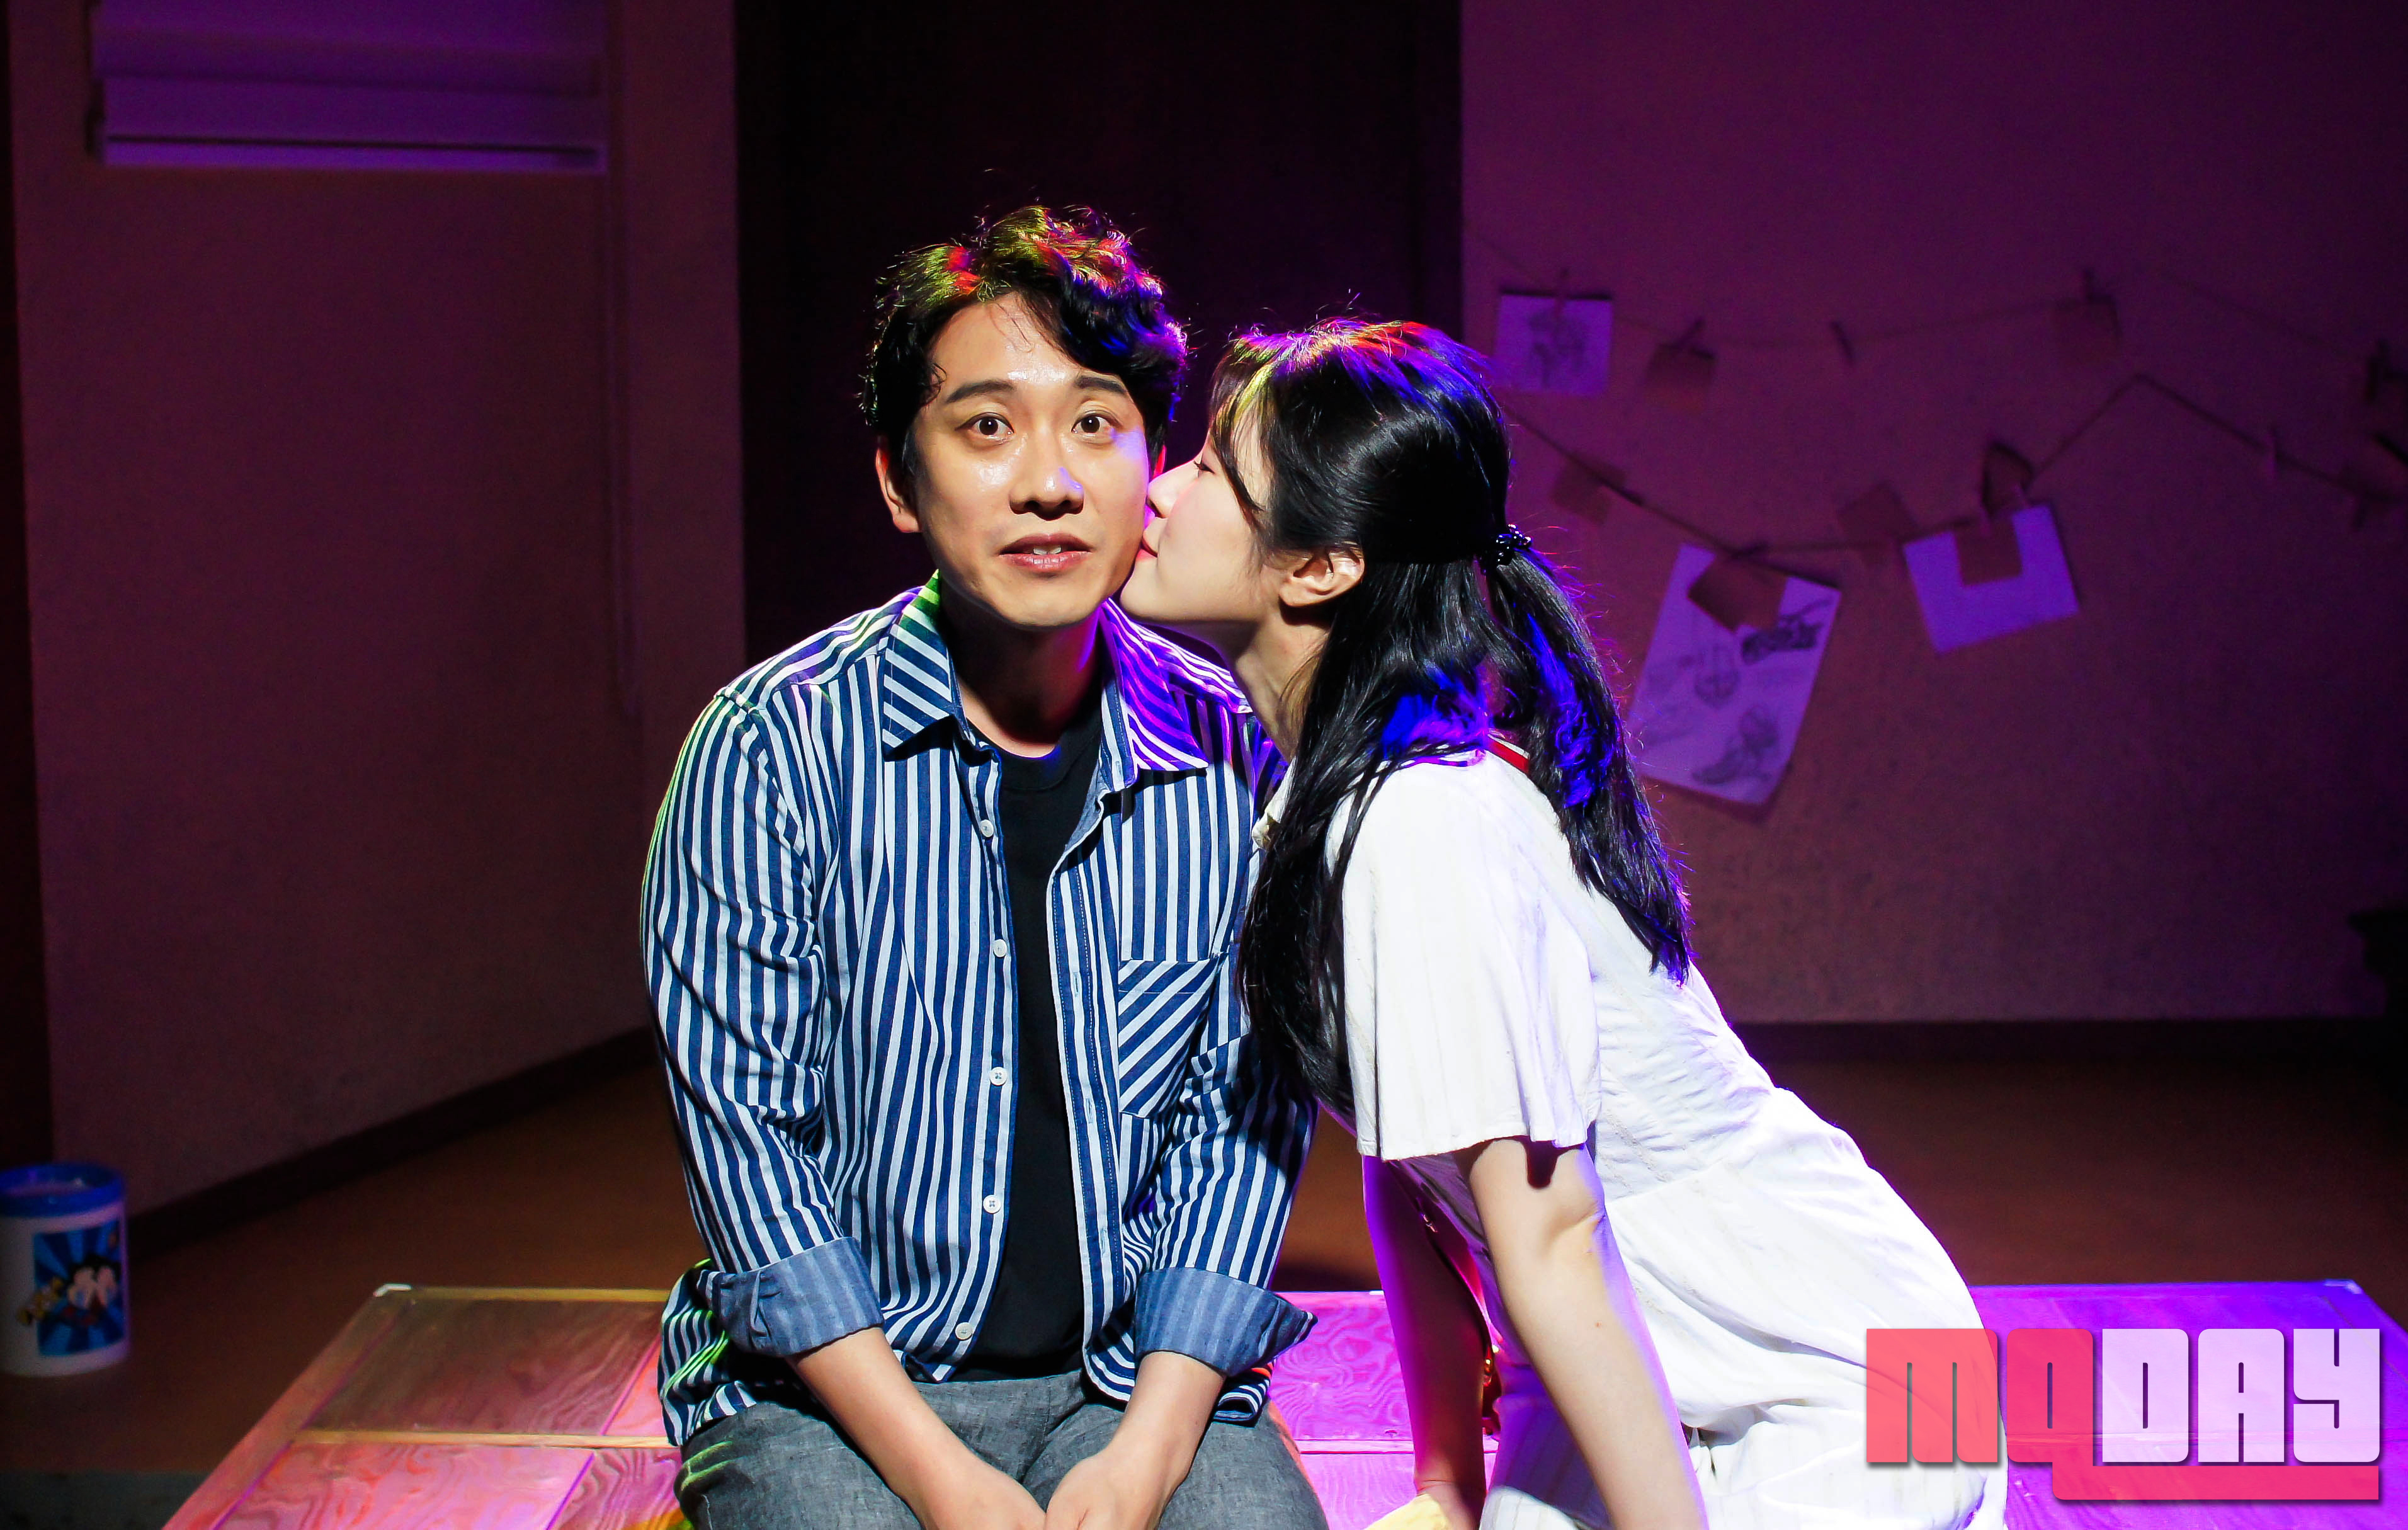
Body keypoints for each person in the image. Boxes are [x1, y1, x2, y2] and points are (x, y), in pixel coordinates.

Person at [1119, 318, 2004, 1530]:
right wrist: (1446, 1486)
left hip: (1847, 1373)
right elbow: (1409, 1170)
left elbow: (1558, 1233)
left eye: (1214, 469)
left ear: (1320, 567)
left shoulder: (1422, 820)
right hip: (1640, 1370)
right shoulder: (1318, 802)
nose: (1159, 489)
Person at [644, 207, 1327, 1530]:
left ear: (1151, 470)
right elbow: (747, 1150)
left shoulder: (1234, 755)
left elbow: (1240, 1134)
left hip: (1128, 1379)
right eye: (988, 426)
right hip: (830, 1386)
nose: (1048, 483)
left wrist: (1146, 1456)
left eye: (1095, 422)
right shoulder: (768, 749)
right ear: (901, 482)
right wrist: (941, 1480)